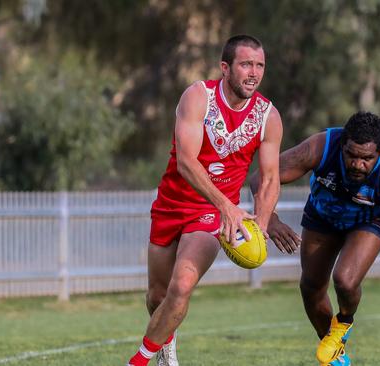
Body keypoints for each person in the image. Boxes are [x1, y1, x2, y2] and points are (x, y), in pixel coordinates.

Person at [127, 35, 283, 366]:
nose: (253, 73)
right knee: (158, 296)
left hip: (211, 213)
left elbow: (270, 178)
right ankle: (165, 342)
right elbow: (186, 162)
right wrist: (227, 204)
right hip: (171, 205)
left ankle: (138, 361)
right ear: (225, 68)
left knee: (181, 286)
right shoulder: (199, 97)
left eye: (259, 65)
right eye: (245, 64)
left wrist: (263, 221)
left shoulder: (268, 117)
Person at [250, 111, 380, 366]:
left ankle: (344, 322)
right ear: (342, 145)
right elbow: (261, 178)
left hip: (369, 219)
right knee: (310, 287)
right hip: (323, 214)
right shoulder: (321, 147)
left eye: (367, 158)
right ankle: (335, 356)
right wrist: (270, 218)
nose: (358, 164)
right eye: (351, 155)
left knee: (345, 280)